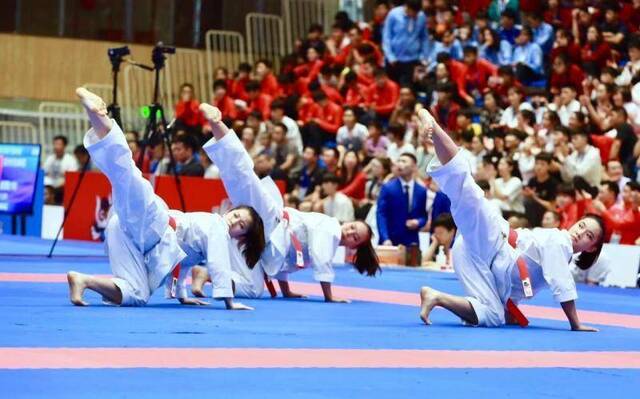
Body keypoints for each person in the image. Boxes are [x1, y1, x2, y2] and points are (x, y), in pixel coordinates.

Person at [66, 88, 265, 310]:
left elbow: (181, 259)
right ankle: (97, 115)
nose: (234, 222)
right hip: (154, 222)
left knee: (136, 294)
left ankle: (83, 280)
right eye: (237, 215)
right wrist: (229, 302)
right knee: (125, 173)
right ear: (229, 210)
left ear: (241, 237)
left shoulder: (210, 235)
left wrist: (182, 295)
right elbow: (219, 265)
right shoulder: (217, 225)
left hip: (130, 234)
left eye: (241, 225)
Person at [415, 107, 602, 331]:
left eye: (588, 235)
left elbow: (517, 280)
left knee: (493, 316)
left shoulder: (564, 255)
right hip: (494, 241)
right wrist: (575, 324)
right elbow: (562, 284)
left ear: (591, 248)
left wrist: (509, 308)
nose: (580, 232)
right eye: (581, 225)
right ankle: (434, 126)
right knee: (466, 191)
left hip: (479, 260)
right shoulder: (560, 242)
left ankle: (436, 297)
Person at [190, 104, 381, 302]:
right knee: (243, 174)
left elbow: (283, 257)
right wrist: (329, 296)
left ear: (354, 246)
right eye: (352, 227)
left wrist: (286, 290)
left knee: (252, 289)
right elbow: (321, 259)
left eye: (355, 237)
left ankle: (205, 275)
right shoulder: (330, 228)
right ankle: (216, 122)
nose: (349, 232)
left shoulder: (327, 237)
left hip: (262, 240)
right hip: (270, 219)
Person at [376, 153, 428, 246]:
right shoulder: (387, 188)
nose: (399, 164)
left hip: (412, 242)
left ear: (414, 167)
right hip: (390, 241)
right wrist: (385, 238)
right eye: (398, 161)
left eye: (404, 161)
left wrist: (418, 222)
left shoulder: (421, 191)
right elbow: (381, 214)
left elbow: (423, 216)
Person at [43, 135, 79, 204]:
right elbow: (45, 173)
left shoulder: (70, 160)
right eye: (55, 144)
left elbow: (72, 179)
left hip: (63, 191)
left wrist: (57, 188)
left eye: (59, 144)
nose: (56, 147)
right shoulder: (50, 159)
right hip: (49, 191)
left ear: (64, 146)